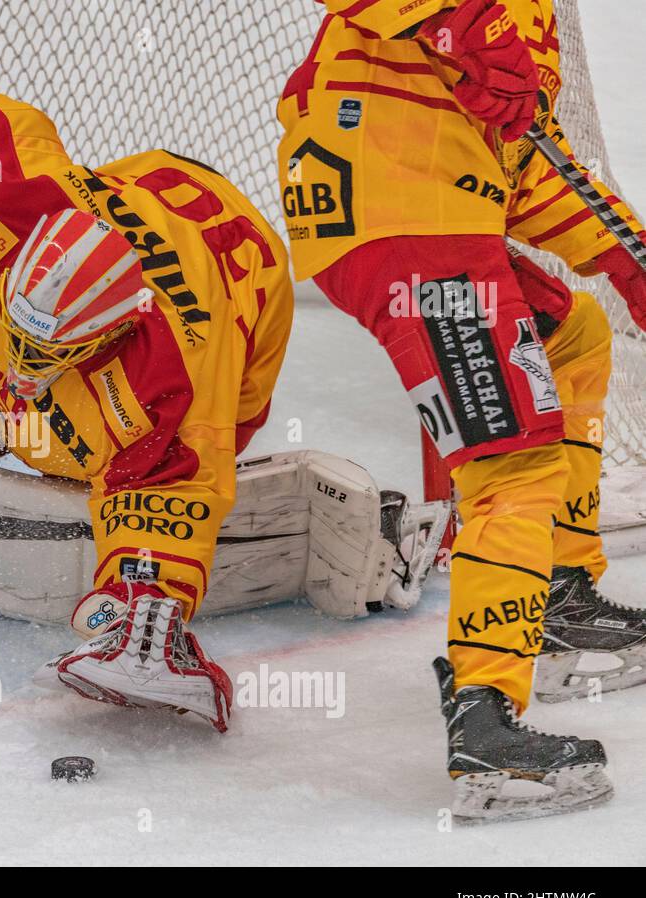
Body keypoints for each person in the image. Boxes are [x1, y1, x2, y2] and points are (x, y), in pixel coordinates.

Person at [277, 0, 646, 820]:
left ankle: (552, 595)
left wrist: (625, 258)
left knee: (574, 337)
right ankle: (486, 724)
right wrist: (459, 21)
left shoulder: (533, 18)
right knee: (511, 462)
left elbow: (518, 164)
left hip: (431, 210)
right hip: (403, 217)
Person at [0, 94, 296, 730]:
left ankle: (142, 586)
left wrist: (141, 602)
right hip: (150, 189)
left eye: (49, 355)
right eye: (22, 337)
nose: (24, 370)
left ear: (114, 333)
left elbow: (176, 486)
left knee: (162, 460)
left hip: (247, 281)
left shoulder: (172, 389)